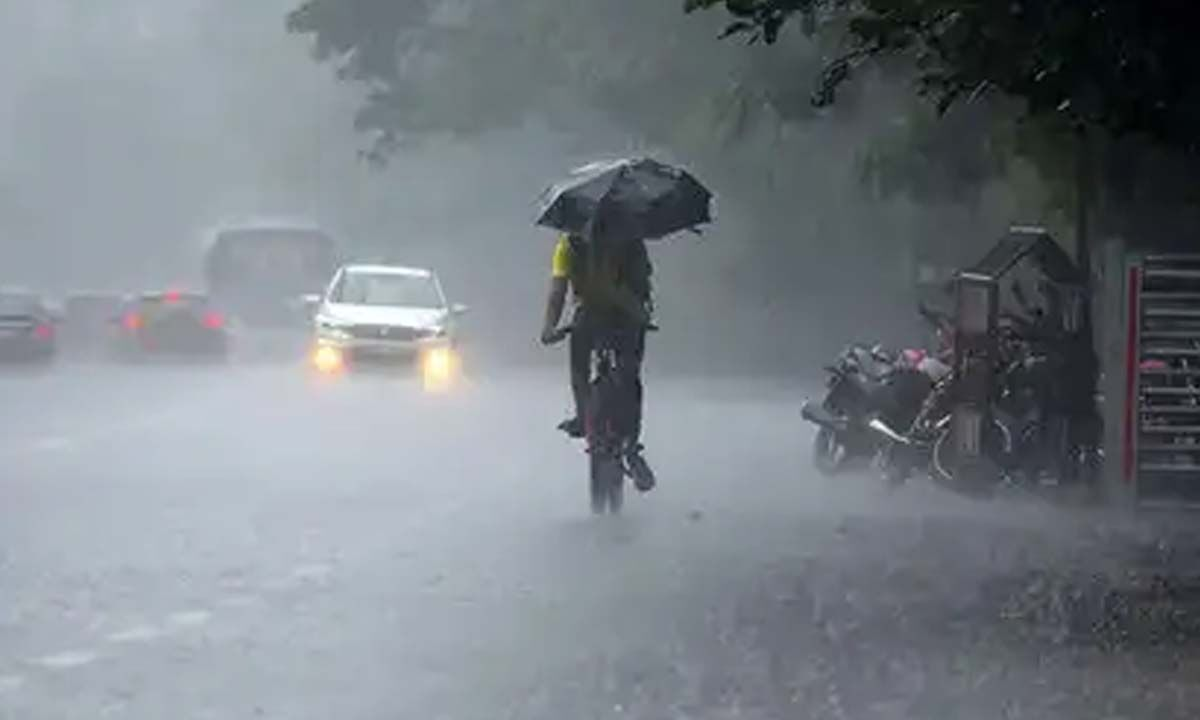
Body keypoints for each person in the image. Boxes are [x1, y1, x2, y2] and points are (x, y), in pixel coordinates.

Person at [540, 210, 655, 491]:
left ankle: (583, 416)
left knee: (579, 369)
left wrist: (549, 328)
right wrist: (641, 315)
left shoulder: (569, 243)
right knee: (631, 376)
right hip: (628, 317)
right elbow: (644, 284)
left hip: (589, 317)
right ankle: (632, 448)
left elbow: (558, 290)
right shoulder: (632, 238)